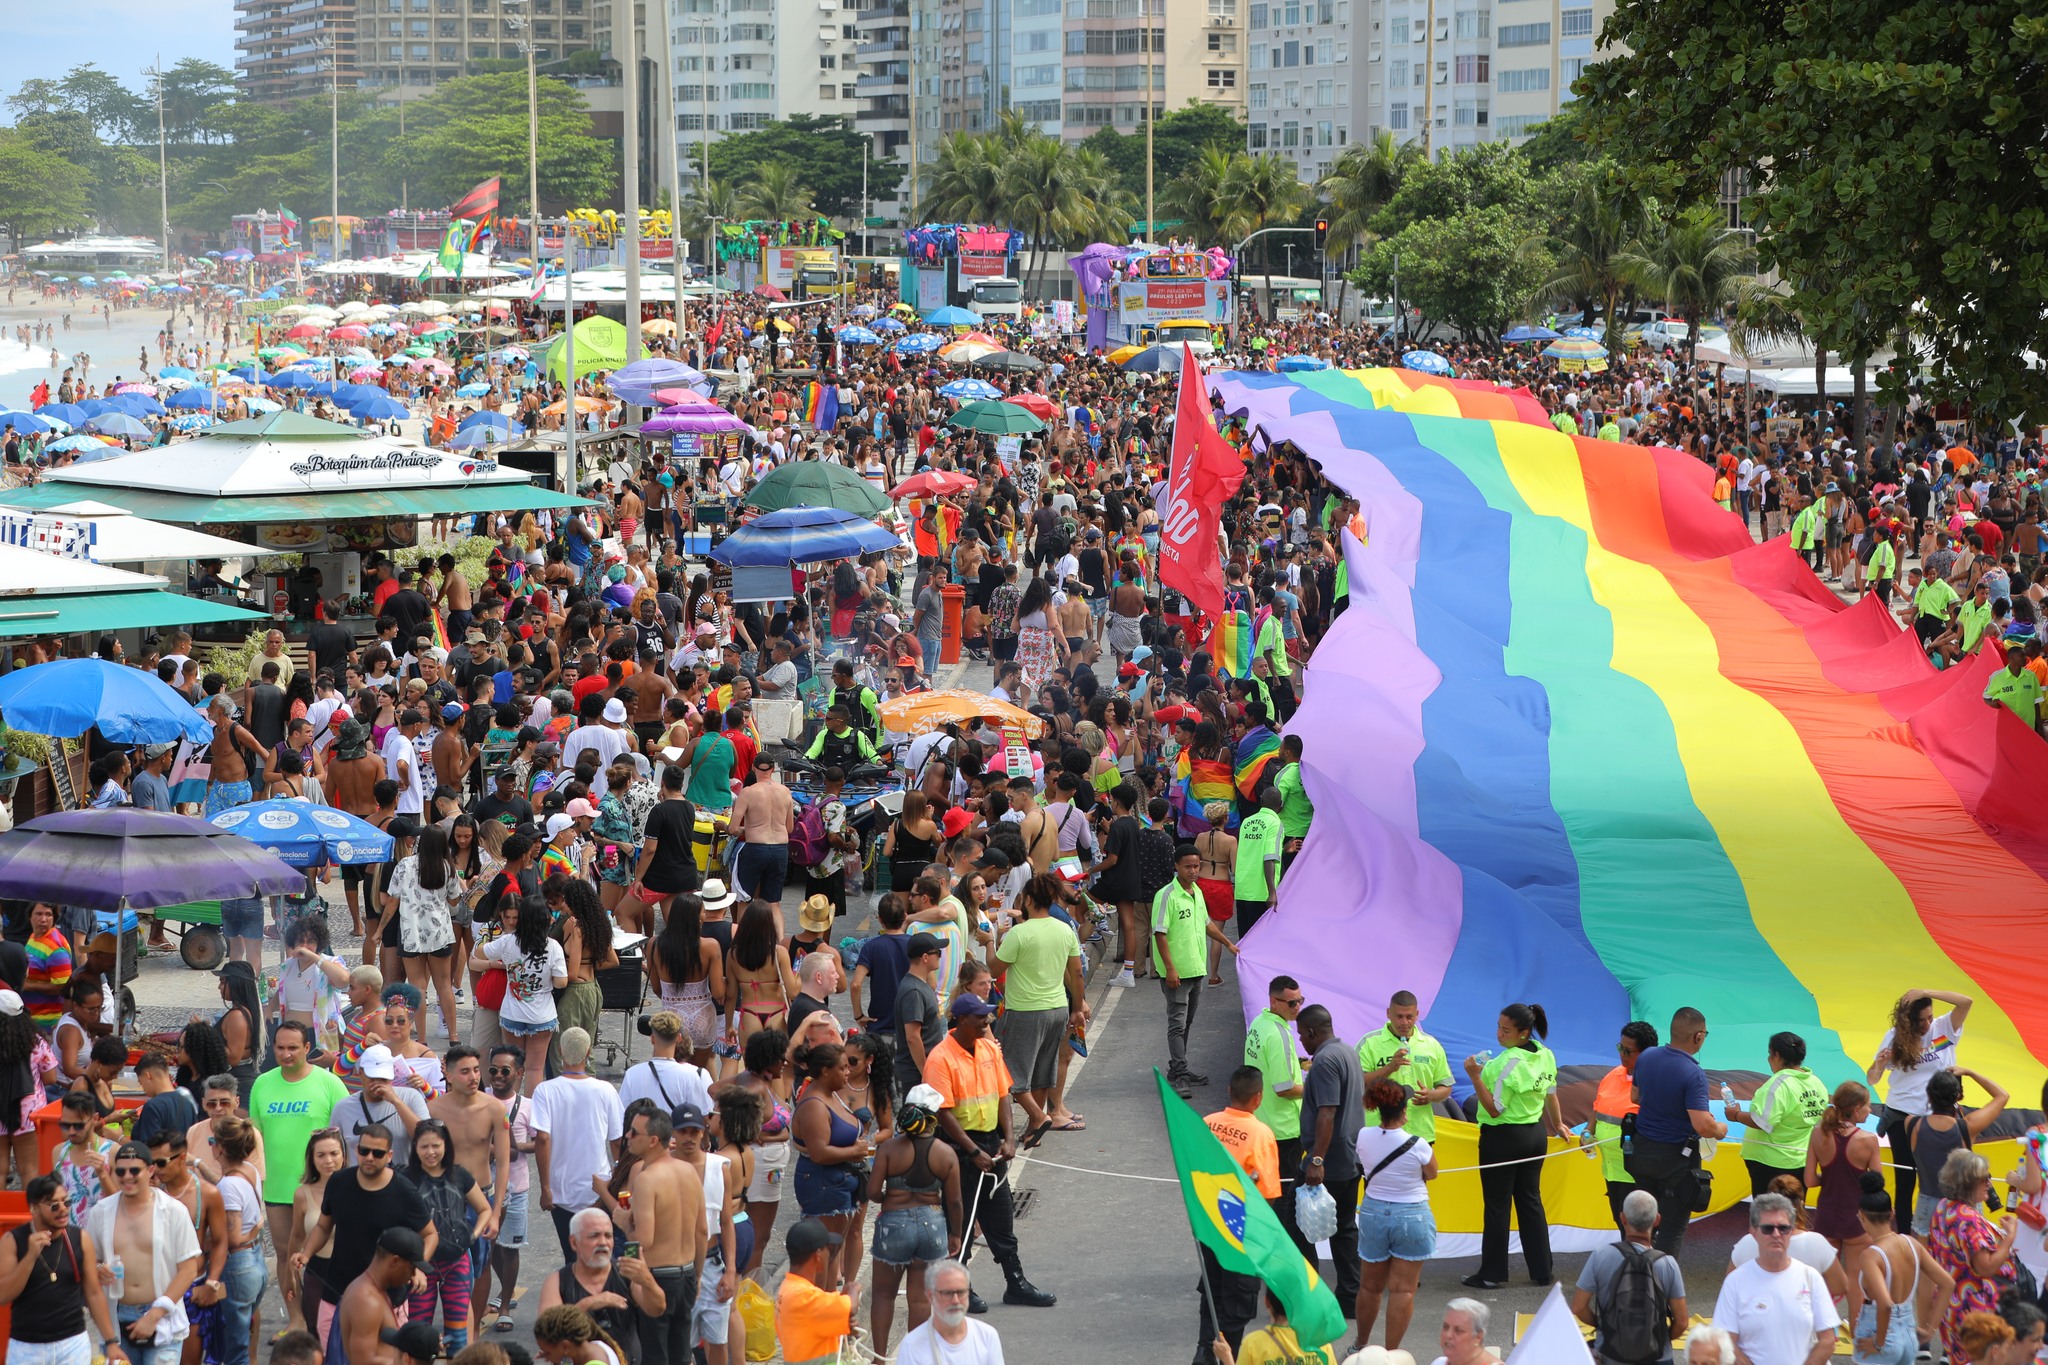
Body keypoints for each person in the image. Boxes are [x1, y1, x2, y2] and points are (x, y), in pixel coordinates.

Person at [922, 993, 1054, 1311]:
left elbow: (1002, 1096)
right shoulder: (940, 1058)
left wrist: (1008, 1139)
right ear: (961, 1020)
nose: (987, 1021)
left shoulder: (988, 1049)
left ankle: (1016, 1283)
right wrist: (972, 1152)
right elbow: (943, 1113)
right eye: (981, 1017)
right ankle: (960, 1288)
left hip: (992, 1145)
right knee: (962, 1222)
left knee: (1001, 1219)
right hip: (959, 1150)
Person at [1461, 1002, 1565, 1289]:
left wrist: (1474, 1075)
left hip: (1503, 1138)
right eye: (1498, 1026)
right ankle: (1542, 1271)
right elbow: (1551, 1094)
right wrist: (1557, 1125)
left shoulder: (1502, 1064)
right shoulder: (1545, 1054)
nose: (1499, 1034)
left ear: (1524, 1033)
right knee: (1531, 1200)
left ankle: (1492, 1274)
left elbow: (1494, 1109)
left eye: (1506, 1030)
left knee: (1497, 1205)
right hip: (1535, 1135)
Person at [84, 1141, 203, 1365]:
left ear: (150, 1171)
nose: (127, 1176)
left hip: (162, 1317)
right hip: (117, 1319)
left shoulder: (173, 1211)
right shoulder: (101, 1212)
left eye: (134, 1170)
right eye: (120, 1171)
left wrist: (155, 1314)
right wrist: (100, 1269)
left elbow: (189, 1270)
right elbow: (91, 1261)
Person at [866, 1084, 962, 1348]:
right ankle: (915, 1358)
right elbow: (953, 1201)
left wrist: (889, 1201)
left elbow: (873, 1191)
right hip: (932, 1225)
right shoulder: (946, 1153)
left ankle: (878, 1359)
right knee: (919, 1299)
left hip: (893, 1225)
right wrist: (956, 1233)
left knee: (883, 1295)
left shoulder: (888, 1149)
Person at [1624, 1007, 1725, 1256]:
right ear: (1698, 1037)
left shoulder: (1647, 1057)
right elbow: (1703, 1125)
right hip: (1675, 1161)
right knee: (1670, 1228)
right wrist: (1720, 1129)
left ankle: (1633, 1277)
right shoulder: (1693, 1073)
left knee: (1642, 1224)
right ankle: (1660, 1287)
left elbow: (1635, 1096)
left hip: (1642, 1152)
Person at [1196, 1067, 1280, 1362]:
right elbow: (1268, 1194)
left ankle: (1204, 1354)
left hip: (1208, 1226)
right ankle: (1224, 1357)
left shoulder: (1207, 1124)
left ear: (1229, 1091)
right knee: (1238, 1304)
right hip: (1241, 1232)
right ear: (1258, 1098)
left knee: (1212, 1294)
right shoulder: (1261, 1134)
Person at [1866, 988, 1972, 1221]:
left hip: (1939, 1114)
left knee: (1943, 1177)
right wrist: (1880, 1065)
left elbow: (1966, 1001)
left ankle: (1940, 1230)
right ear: (1907, 1020)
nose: (1927, 1023)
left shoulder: (1944, 1027)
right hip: (1901, 1115)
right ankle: (1904, 1234)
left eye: (1930, 1017)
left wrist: (1925, 991)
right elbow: (1872, 1079)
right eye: (1921, 1019)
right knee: (1905, 1179)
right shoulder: (1894, 1036)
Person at [993, 874, 1086, 1142]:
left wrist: (990, 941)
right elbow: (1077, 974)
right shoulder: (1064, 929)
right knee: (1044, 1070)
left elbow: (993, 969)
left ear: (1029, 900)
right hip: (1058, 1008)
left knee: (1008, 1071)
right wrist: (1077, 1007)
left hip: (1024, 1010)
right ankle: (1035, 1131)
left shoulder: (1018, 933)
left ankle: (1037, 1117)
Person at [0, 1172, 126, 1365]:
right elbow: (3, 1295)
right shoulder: (13, 1241)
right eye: (54, 1205)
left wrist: (111, 1342)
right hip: (27, 1346)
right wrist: (30, 1257)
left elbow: (93, 1293)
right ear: (34, 1209)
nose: (63, 1210)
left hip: (72, 1343)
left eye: (66, 1202)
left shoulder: (80, 1238)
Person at [1353, 1077, 1438, 1355]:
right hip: (1412, 1215)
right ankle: (1391, 1354)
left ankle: (1361, 1346)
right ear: (1405, 1108)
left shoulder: (1364, 1135)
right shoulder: (1418, 1144)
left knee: (1369, 1287)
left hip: (1374, 1212)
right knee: (1403, 1291)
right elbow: (1432, 1174)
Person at [1712, 1192, 1840, 1365]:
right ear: (1753, 1232)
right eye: (1767, 1228)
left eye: (1783, 1228)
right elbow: (1726, 1341)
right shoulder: (1735, 1282)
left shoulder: (1811, 1277)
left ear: (1791, 1231)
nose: (1776, 1234)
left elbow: (1828, 1340)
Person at [1155, 843, 1238, 1094]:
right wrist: (1170, 968)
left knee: (1187, 1022)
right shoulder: (1167, 895)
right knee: (1177, 1023)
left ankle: (1176, 1067)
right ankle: (1180, 1073)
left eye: (1196, 866)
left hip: (1196, 968)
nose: (1193, 870)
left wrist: (1228, 944)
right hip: (1177, 973)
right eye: (1188, 866)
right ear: (1176, 866)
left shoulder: (1197, 892)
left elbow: (1207, 924)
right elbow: (1160, 933)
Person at [1296, 1003, 1363, 1310]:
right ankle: (1350, 1297)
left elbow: (1328, 1111)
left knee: (1298, 1228)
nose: (1302, 1042)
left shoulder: (1323, 1062)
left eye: (1302, 1035)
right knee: (1345, 1230)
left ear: (1312, 1031)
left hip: (1328, 1163)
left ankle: (1308, 1295)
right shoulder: (1348, 1051)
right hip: (1349, 1157)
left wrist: (1316, 1160)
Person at [535, 1206, 666, 1363]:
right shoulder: (557, 1281)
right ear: (574, 1242)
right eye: (594, 1236)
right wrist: (588, 1304)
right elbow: (545, 1335)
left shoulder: (626, 1273)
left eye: (608, 1236)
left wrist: (647, 1280)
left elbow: (657, 1309)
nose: (603, 1242)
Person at [1573, 1190, 1687, 1365]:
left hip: (1612, 1354)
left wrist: (1605, 1327)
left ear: (1622, 1218)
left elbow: (1579, 1307)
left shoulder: (1601, 1255)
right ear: (1657, 1219)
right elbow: (1682, 1322)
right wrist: (1658, 1340)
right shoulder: (1667, 1264)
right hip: (1658, 1357)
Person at [1850, 1170, 1953, 1365]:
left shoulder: (1871, 1255)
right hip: (1908, 1333)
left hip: (1878, 1332)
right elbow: (1947, 1283)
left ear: (1861, 1216)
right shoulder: (1912, 1244)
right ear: (1892, 1213)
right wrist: (1930, 1330)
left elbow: (1886, 1304)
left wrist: (1879, 1344)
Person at [1929, 1148, 2021, 1363]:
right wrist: (2010, 1237)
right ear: (1968, 1182)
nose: (1989, 1182)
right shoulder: (1968, 1219)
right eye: (1984, 1178)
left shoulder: (1944, 1207)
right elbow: (1986, 1266)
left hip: (1951, 1304)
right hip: (1975, 1307)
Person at [1245, 976, 1309, 1258]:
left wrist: (1299, 1063)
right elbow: (1284, 1088)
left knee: (1265, 1192)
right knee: (1286, 1196)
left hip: (1262, 1121)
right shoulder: (1279, 1034)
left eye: (1301, 1001)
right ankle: (1281, 1254)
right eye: (1292, 1002)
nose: (1298, 1007)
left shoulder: (1259, 1024)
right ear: (1274, 1001)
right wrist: (1315, 1089)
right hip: (1284, 1129)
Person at [1724, 1031, 1828, 1198]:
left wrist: (1735, 1114)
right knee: (1794, 1213)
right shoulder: (1816, 1083)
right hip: (1801, 1159)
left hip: (1770, 1164)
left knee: (1768, 1216)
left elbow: (1762, 1122)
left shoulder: (1778, 1085)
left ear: (1776, 1055)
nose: (1768, 1059)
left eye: (1769, 1054)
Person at [1907, 1067, 2008, 1236]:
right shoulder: (1966, 1127)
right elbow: (2002, 1096)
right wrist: (1971, 1072)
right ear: (1958, 1096)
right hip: (1963, 1208)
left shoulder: (1912, 1124)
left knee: (1926, 1260)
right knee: (1966, 1259)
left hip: (1927, 1205)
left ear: (1929, 1095)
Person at [1591, 1022, 1657, 1226]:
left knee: (1638, 1230)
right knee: (1621, 1224)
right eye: (1620, 1047)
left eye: (1627, 1051)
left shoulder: (1654, 1081)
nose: (1621, 1054)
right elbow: (1597, 1107)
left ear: (1647, 1053)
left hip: (1637, 1175)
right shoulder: (1613, 1075)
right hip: (1611, 1170)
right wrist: (1588, 1130)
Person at [332, 1228, 428, 1365]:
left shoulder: (375, 1290)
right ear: (395, 1261)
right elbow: (362, 1362)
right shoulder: (367, 1300)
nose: (413, 1275)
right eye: (411, 1268)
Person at [894, 1259, 1004, 1365]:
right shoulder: (912, 1345)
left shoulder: (987, 1337)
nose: (955, 1301)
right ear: (930, 1296)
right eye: (947, 1293)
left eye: (961, 1292)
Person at [1429, 1299, 1493, 1365]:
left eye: (1458, 1330)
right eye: (1445, 1327)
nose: (1448, 1335)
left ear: (1478, 1337)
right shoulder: (1439, 1362)